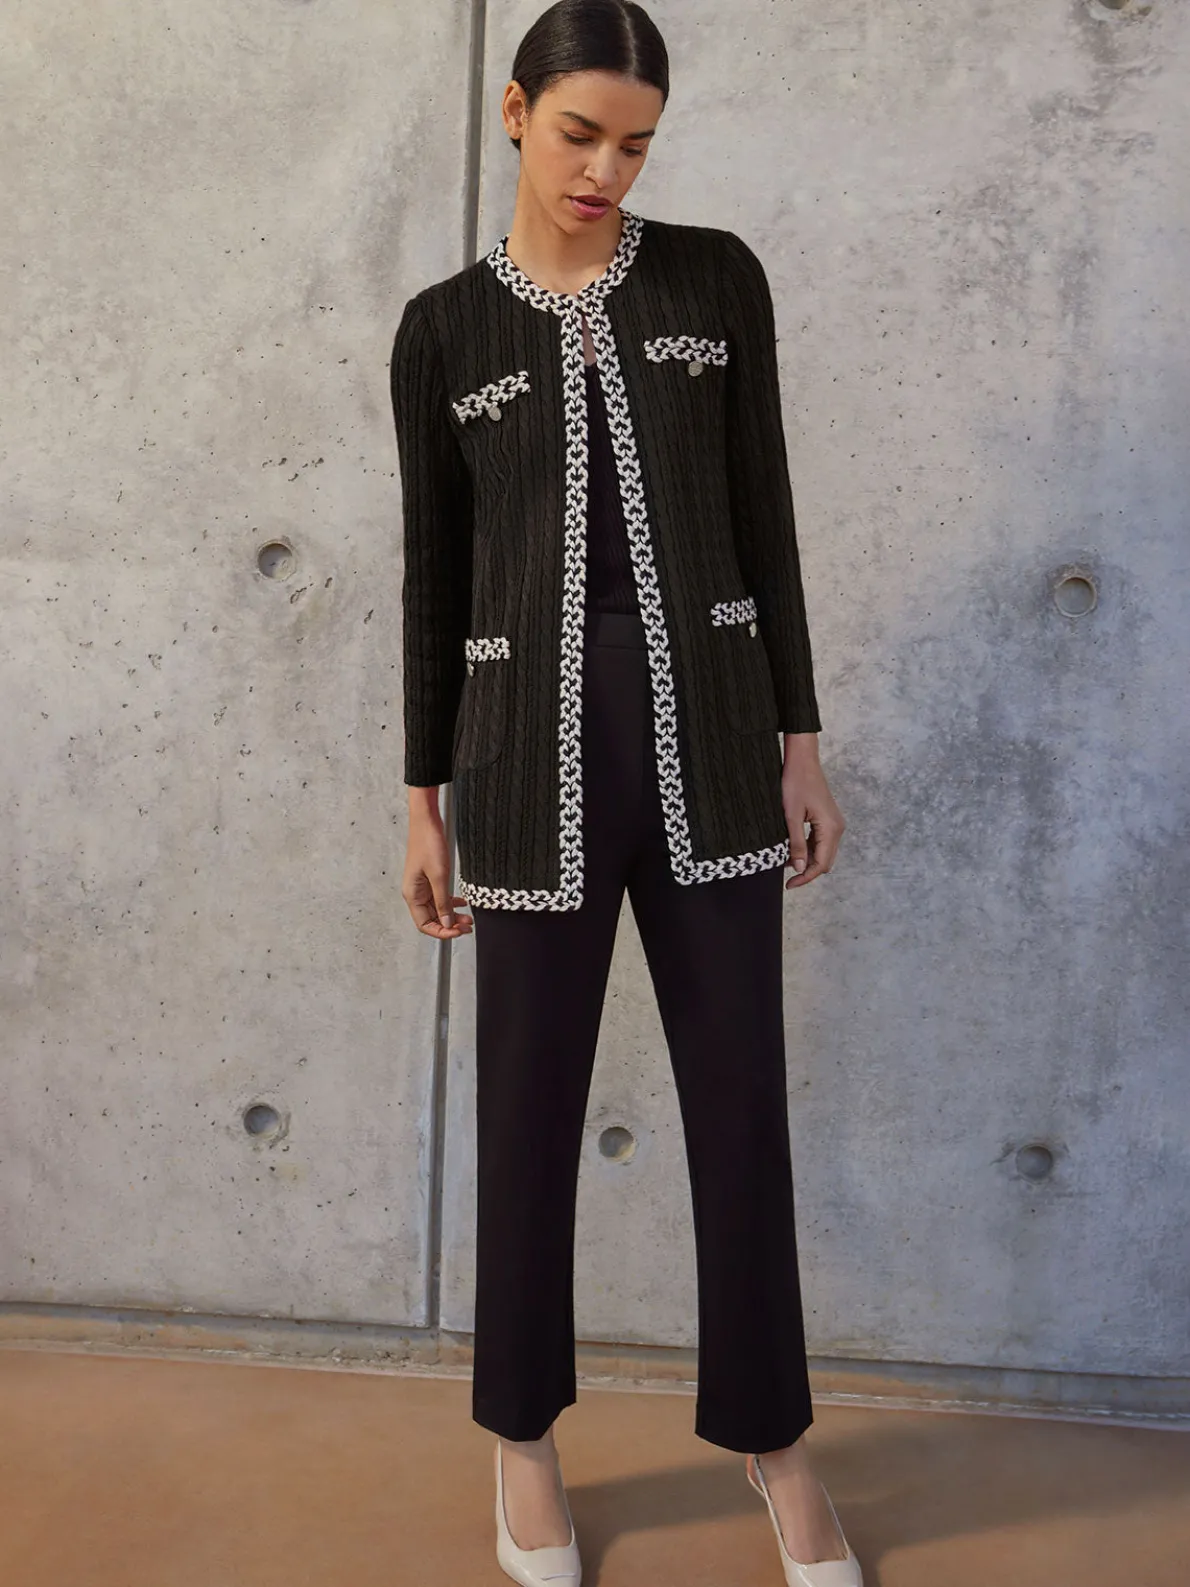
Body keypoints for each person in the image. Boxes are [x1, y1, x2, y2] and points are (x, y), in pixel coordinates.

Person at [389, 3, 853, 1583]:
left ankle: (775, 1446)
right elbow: (436, 575)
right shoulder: (444, 331)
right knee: (525, 1115)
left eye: (636, 144)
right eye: (580, 132)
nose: (604, 168)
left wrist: (798, 739)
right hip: (523, 767)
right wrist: (420, 797)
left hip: (712, 752)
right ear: (514, 112)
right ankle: (522, 1441)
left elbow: (765, 512)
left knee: (739, 1109)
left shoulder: (714, 281)